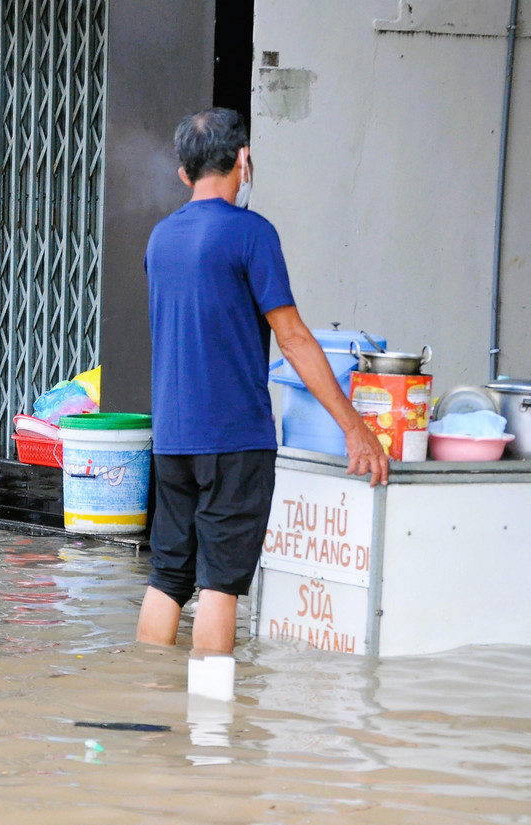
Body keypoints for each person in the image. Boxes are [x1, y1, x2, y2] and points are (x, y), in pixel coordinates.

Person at [135, 107, 389, 654]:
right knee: (220, 586)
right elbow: (293, 337)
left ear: (185, 173)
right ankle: (211, 728)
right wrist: (354, 426)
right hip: (233, 441)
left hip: (173, 442)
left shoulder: (159, 239)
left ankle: (147, 706)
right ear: (243, 160)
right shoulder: (252, 234)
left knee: (168, 578)